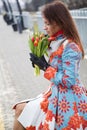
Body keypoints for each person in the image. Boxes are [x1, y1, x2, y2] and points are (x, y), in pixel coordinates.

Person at [13, 1, 87, 130]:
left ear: (59, 22)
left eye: (47, 23)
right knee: (20, 110)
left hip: (68, 100)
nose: (45, 27)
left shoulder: (71, 46)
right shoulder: (56, 41)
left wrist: (45, 67)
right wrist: (40, 59)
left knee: (21, 111)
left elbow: (69, 81)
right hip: (55, 93)